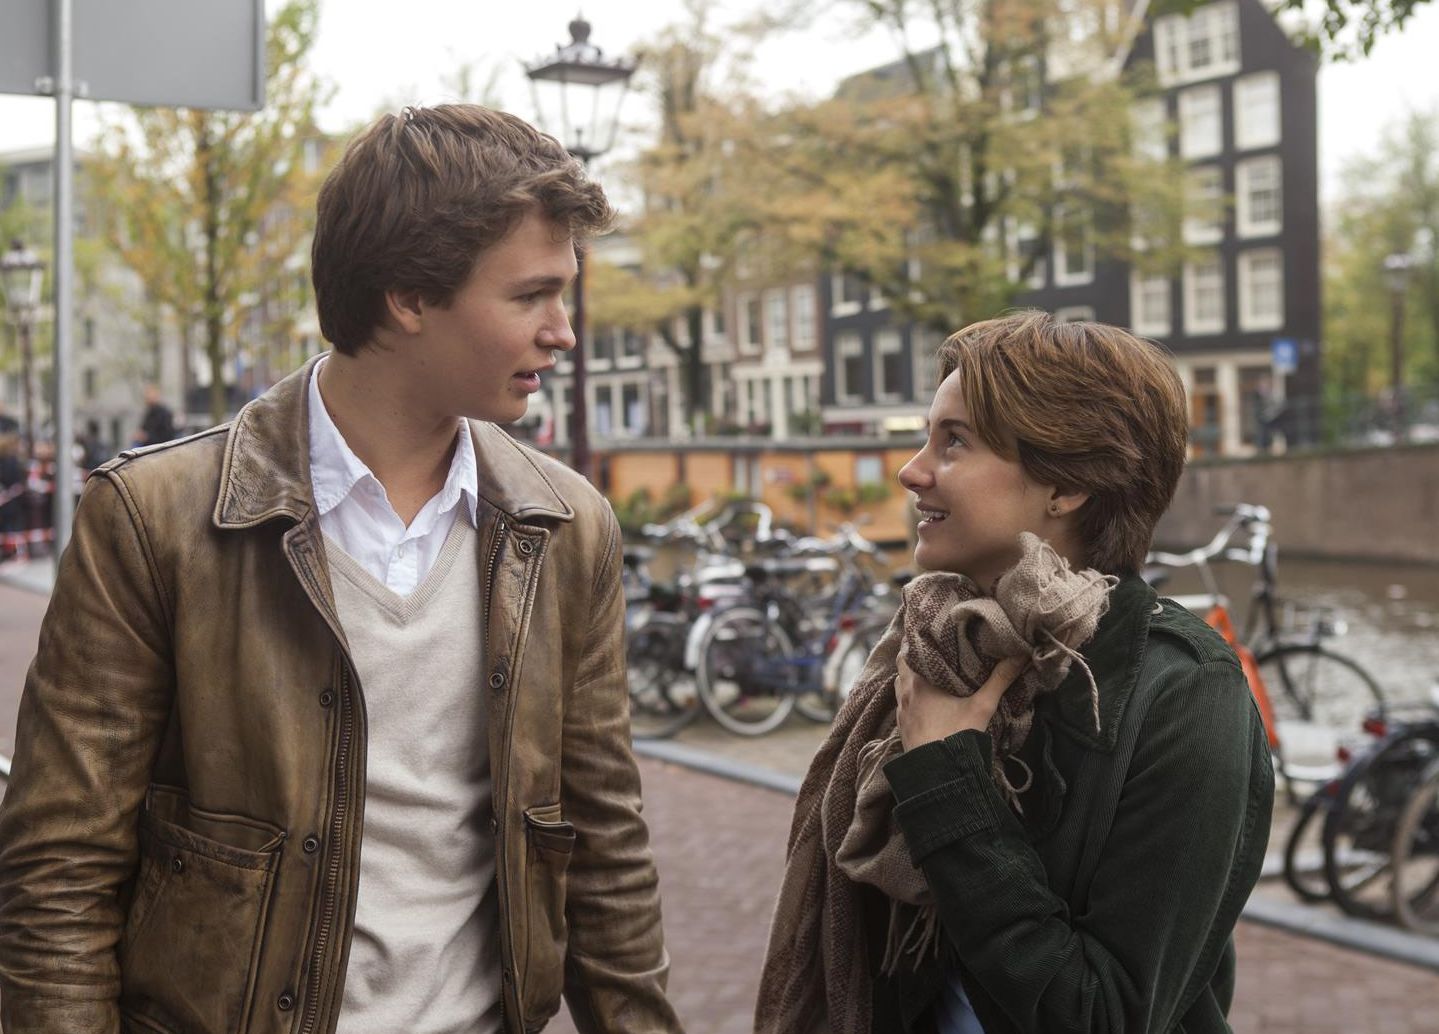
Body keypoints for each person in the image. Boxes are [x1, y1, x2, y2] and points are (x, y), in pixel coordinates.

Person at [0, 104, 683, 1034]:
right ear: (407, 297)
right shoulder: (154, 518)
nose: (563, 331)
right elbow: (59, 873)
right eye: (530, 296)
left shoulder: (567, 528)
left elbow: (603, 851)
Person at [757, 311, 1273, 1034]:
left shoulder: (1184, 694)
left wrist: (945, 776)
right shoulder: (940, 648)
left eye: (954, 442)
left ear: (1066, 484)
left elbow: (1104, 1015)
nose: (912, 469)